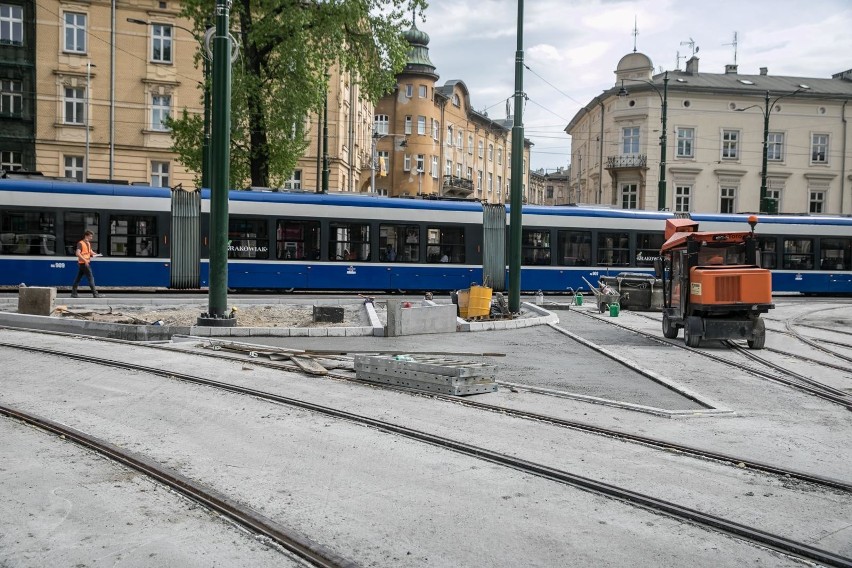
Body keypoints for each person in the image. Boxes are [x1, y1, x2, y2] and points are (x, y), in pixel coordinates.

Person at [71, 230, 101, 298]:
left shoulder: (88, 243)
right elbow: (77, 253)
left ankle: (74, 293)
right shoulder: (80, 243)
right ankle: (95, 294)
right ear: (86, 236)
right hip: (84, 263)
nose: (91, 238)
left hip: (83, 263)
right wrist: (85, 260)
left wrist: (97, 254)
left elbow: (90, 252)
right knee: (91, 278)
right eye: (90, 236)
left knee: (78, 278)